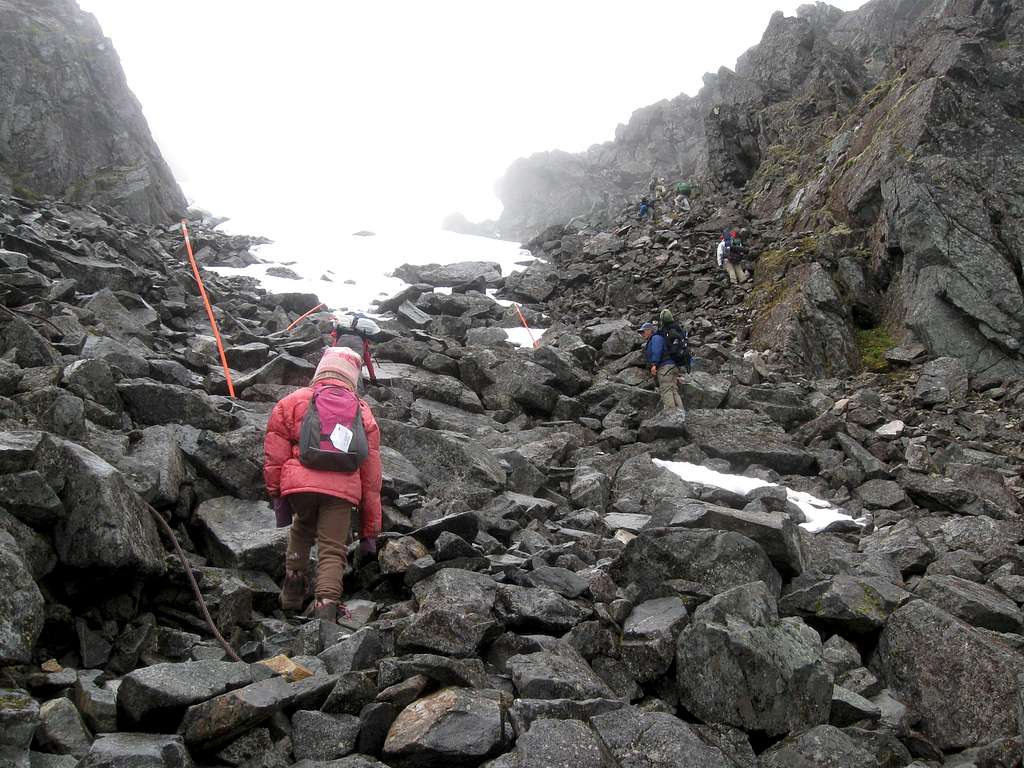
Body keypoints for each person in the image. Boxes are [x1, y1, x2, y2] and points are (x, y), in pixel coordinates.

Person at [263, 346, 383, 623]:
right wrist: (369, 532)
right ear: (352, 377)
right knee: (332, 548)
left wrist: (277, 496)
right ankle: (326, 609)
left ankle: (292, 589)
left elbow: (274, 453)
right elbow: (371, 476)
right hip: (342, 493)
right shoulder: (363, 413)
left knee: (302, 529)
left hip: (300, 487)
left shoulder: (293, 401)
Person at [640, 320, 685, 412]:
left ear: (649, 330)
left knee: (666, 390)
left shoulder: (656, 338)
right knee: (673, 390)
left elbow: (657, 351)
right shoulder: (659, 337)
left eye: (643, 331)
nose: (641, 334)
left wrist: (654, 365)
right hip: (672, 367)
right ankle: (680, 414)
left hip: (665, 367)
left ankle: (671, 416)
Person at [330, 313, 379, 385]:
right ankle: (356, 391)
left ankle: (333, 384)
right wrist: (373, 378)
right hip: (357, 343)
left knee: (338, 364)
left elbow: (333, 349)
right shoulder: (362, 335)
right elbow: (367, 359)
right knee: (355, 368)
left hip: (341, 341)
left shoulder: (341, 329)